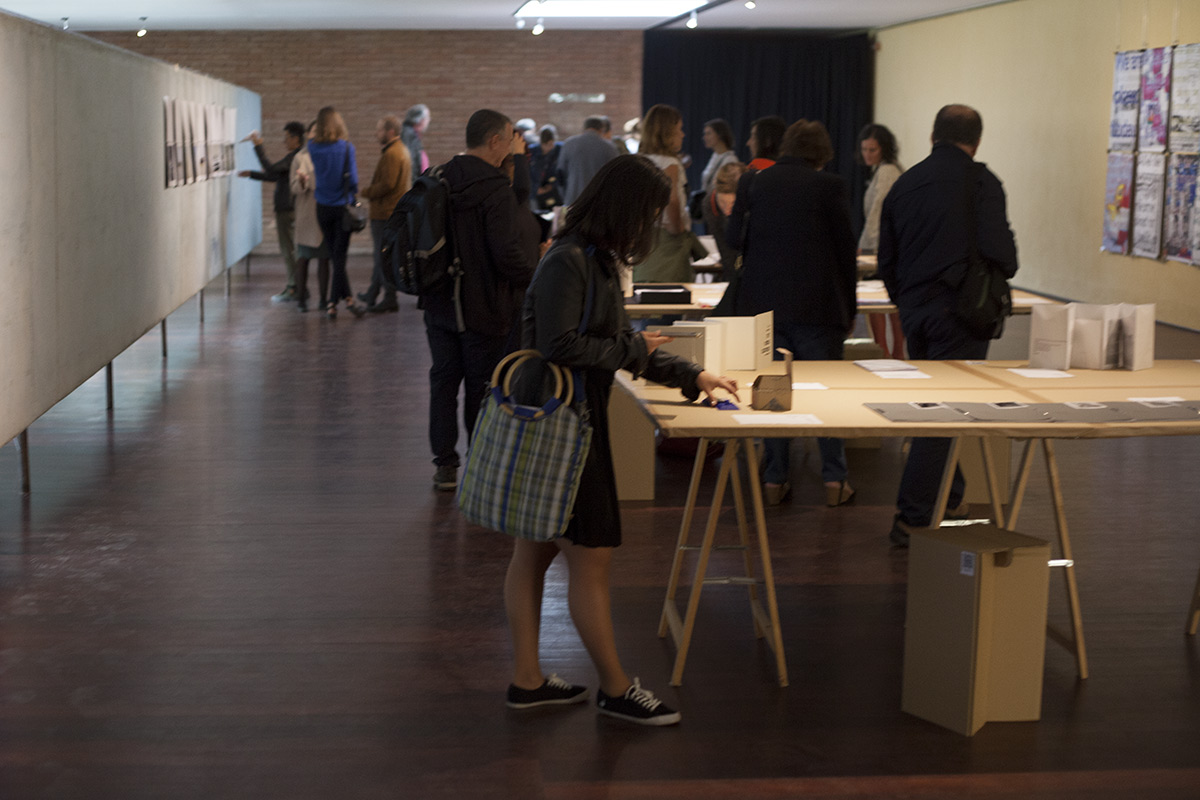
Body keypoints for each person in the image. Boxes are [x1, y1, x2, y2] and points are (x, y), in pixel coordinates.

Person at [509, 154, 739, 726]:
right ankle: (614, 688)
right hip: (566, 426)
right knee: (589, 560)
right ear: (625, 209)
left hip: (564, 420)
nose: (652, 226)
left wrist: (692, 376)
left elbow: (612, 341)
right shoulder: (571, 260)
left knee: (535, 551)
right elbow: (561, 345)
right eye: (649, 214)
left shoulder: (593, 258)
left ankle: (528, 680)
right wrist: (632, 352)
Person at [878, 104, 1018, 547]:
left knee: (934, 403)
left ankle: (951, 495)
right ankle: (912, 516)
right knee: (943, 412)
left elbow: (887, 260)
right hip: (961, 314)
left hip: (915, 313)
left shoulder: (905, 183)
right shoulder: (982, 183)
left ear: (932, 135)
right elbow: (1006, 258)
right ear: (976, 141)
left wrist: (907, 302)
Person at [727, 120, 857, 508]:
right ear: (822, 153)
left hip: (764, 306)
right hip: (818, 307)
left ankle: (774, 479)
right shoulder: (830, 186)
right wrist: (848, 307)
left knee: (772, 395)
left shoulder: (755, 182)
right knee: (827, 395)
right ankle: (834, 481)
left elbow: (734, 240)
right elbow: (844, 252)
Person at [425, 109, 536, 491]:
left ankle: (444, 465)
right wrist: (535, 277)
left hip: (439, 304)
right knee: (480, 387)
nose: (510, 147)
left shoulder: (436, 177)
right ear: (493, 141)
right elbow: (505, 255)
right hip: (483, 307)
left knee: (442, 382)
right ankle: (479, 462)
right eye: (508, 140)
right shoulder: (494, 190)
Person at [306, 106, 366, 319]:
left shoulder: (311, 147)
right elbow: (355, 181)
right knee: (339, 257)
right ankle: (333, 302)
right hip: (343, 208)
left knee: (334, 255)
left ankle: (346, 299)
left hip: (322, 207)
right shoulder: (347, 148)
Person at [631, 104, 699, 283]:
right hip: (666, 243)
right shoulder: (670, 163)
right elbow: (672, 200)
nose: (683, 135)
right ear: (666, 133)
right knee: (672, 299)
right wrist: (677, 228)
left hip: (642, 241)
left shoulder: (639, 161)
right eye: (679, 129)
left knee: (645, 298)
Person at [238, 121, 305, 302]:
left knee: (288, 249)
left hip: (287, 210)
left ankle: (294, 288)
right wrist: (251, 174)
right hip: (289, 208)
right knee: (291, 249)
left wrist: (258, 146)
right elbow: (275, 176)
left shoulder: (294, 157)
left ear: (295, 139)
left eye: (287, 138)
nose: (284, 142)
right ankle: (298, 286)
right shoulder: (296, 156)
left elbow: (271, 169)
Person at [857, 123, 906, 359]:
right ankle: (890, 350)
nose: (867, 154)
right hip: (888, 245)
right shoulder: (886, 170)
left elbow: (877, 214)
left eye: (872, 150)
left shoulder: (887, 172)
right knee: (888, 300)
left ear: (884, 149)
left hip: (879, 246)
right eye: (864, 149)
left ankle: (887, 351)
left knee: (878, 301)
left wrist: (866, 248)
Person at [358, 114, 413, 314]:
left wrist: (365, 192)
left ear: (390, 132)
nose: (376, 133)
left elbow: (387, 184)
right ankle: (373, 293)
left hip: (385, 213)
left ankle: (390, 298)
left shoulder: (392, 154)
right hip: (391, 211)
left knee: (383, 258)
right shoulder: (400, 150)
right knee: (381, 256)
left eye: (379, 129)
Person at [289, 120, 328, 313]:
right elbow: (293, 187)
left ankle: (323, 299)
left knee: (324, 259)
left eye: (318, 131)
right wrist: (303, 182)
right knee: (303, 258)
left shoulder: (330, 153)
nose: (315, 135)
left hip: (324, 211)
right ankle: (301, 297)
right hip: (306, 213)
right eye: (312, 131)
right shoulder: (300, 157)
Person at [702, 160, 748, 283]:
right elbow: (725, 249)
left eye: (733, 204)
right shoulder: (709, 203)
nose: (727, 211)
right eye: (723, 203)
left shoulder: (754, 201)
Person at [557, 116, 617, 207]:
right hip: (599, 200)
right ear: (602, 129)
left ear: (584, 128)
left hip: (573, 198)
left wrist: (565, 196)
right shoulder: (609, 147)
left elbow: (560, 173)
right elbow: (615, 175)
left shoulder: (569, 144)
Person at [528, 125, 562, 212]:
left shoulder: (559, 150)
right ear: (540, 142)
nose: (548, 147)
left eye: (551, 144)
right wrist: (535, 189)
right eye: (545, 144)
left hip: (553, 190)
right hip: (534, 191)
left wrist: (551, 185)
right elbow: (526, 172)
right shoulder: (532, 151)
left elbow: (562, 171)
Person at [699, 118, 737, 194]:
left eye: (708, 133)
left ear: (719, 134)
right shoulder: (715, 156)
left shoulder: (730, 160)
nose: (704, 138)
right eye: (705, 134)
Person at [401, 104, 431, 175]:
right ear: (420, 120)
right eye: (427, 118)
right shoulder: (408, 135)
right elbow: (410, 162)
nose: (428, 121)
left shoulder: (414, 134)